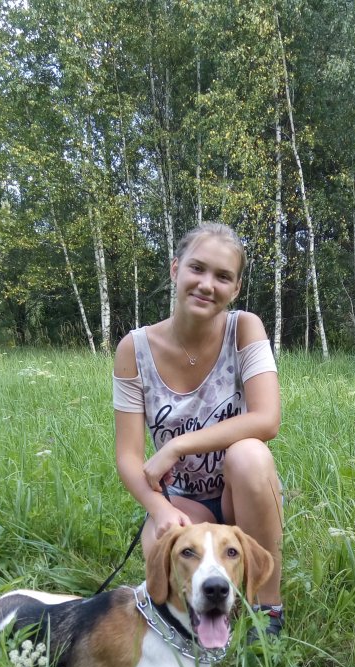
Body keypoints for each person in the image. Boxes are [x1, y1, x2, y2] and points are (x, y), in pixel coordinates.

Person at [112, 222, 284, 640]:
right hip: (183, 502)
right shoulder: (134, 350)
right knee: (162, 569)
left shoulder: (244, 328)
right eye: (197, 269)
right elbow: (128, 457)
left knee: (249, 454)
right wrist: (159, 509)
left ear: (236, 288)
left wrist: (176, 446)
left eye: (223, 276)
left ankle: (267, 610)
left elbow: (267, 420)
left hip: (240, 493)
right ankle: (198, 622)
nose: (207, 285)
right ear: (175, 269)